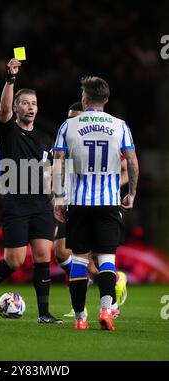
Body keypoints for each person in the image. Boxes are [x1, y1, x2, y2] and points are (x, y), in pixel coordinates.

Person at [0, 58, 62, 324]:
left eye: (34, 104)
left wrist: (57, 199)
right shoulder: (8, 130)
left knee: (42, 257)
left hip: (41, 204)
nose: (30, 108)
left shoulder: (44, 139)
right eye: (25, 103)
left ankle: (44, 313)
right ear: (15, 107)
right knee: (14, 261)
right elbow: (2, 112)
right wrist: (10, 79)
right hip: (15, 201)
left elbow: (51, 172)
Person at [53, 76, 138, 330]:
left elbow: (58, 162)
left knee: (79, 259)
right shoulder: (120, 125)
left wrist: (59, 198)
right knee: (107, 259)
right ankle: (105, 311)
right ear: (106, 99)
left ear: (85, 98)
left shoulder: (69, 126)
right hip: (108, 202)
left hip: (79, 203)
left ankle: (80, 318)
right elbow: (132, 162)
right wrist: (131, 193)